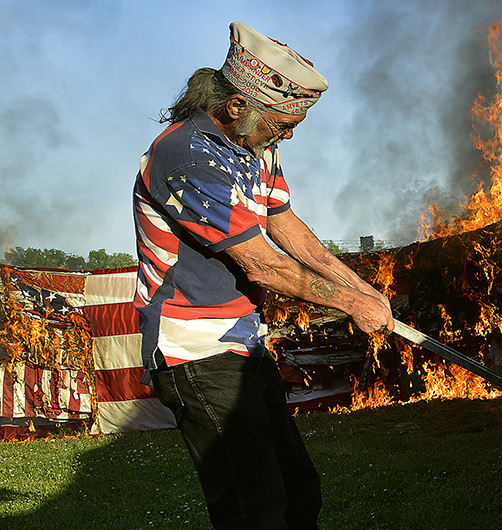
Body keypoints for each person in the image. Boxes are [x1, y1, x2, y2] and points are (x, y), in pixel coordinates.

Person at [132, 21, 394, 529]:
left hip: (243, 344)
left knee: (299, 494)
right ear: (236, 106)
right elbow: (262, 262)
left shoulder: (256, 147)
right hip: (195, 352)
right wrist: (349, 304)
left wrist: (364, 290)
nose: (289, 133)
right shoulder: (185, 154)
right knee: (255, 511)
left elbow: (289, 230)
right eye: (281, 121)